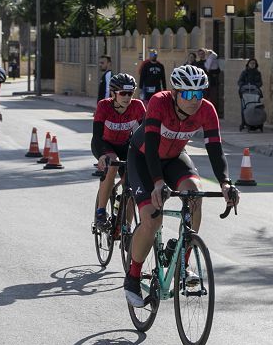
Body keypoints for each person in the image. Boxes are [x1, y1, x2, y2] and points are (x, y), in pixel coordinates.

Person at [122, 64, 240, 307]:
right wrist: (157, 183)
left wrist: (226, 183)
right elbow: (152, 147)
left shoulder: (206, 110)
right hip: (144, 158)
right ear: (175, 93)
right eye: (188, 94)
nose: (194, 100)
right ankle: (133, 277)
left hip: (175, 157)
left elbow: (215, 150)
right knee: (152, 219)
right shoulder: (159, 102)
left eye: (199, 94)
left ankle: (183, 266)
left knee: (195, 195)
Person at [91, 72, 146, 229]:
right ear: (113, 93)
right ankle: (101, 212)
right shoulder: (104, 106)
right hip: (104, 145)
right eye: (123, 93)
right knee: (113, 164)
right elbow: (96, 136)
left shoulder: (137, 106)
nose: (127, 97)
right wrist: (102, 155)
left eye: (130, 93)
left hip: (124, 145)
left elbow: (147, 134)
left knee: (132, 184)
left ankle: (125, 227)